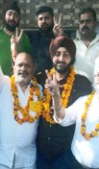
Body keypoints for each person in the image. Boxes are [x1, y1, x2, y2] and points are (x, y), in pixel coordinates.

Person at [0, 1, 42, 168]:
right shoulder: (3, 84)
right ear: (13, 67)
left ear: (33, 68)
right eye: (20, 65)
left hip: (29, 160)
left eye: (27, 65)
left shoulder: (41, 91)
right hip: (3, 159)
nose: (23, 69)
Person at [46, 55, 99, 168]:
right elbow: (62, 119)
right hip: (75, 164)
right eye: (97, 75)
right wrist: (56, 96)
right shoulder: (82, 101)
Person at [35, 36, 92, 168]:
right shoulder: (40, 79)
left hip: (66, 155)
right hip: (41, 152)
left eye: (66, 54)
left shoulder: (82, 83)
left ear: (72, 57)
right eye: (57, 54)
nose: (61, 59)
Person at [74, 7, 99, 83]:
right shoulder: (72, 45)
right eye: (82, 22)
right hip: (75, 91)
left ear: (95, 23)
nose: (84, 24)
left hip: (98, 92)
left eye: (88, 21)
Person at [26, 5, 63, 74]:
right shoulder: (31, 37)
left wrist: (59, 37)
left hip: (55, 79)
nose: (44, 21)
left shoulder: (59, 37)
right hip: (35, 80)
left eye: (47, 18)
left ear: (52, 19)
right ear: (37, 21)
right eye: (41, 19)